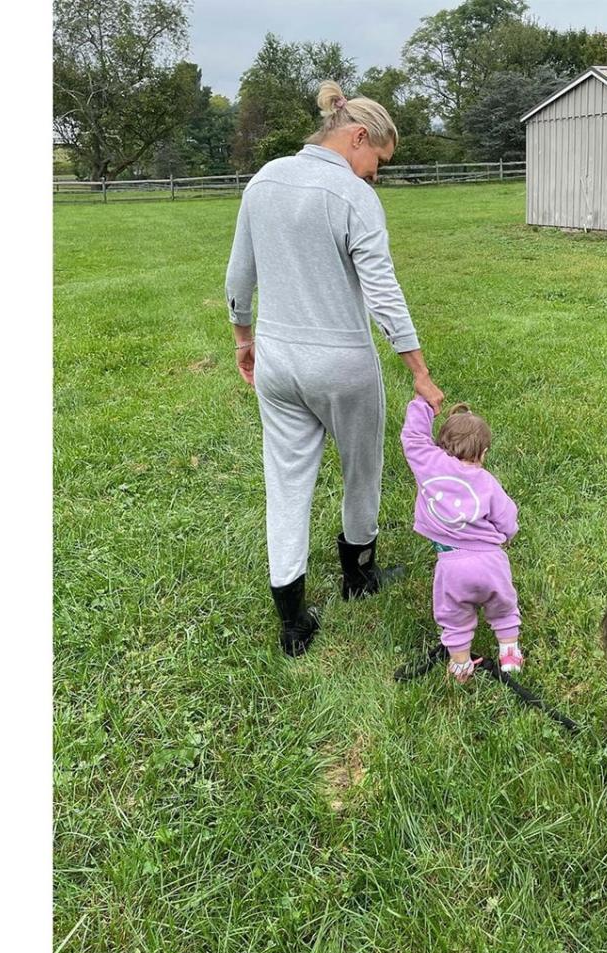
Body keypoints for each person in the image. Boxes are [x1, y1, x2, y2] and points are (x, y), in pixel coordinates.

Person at [225, 80, 444, 657]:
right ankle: (358, 575)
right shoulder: (353, 196)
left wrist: (243, 339)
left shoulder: (262, 180)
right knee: (361, 470)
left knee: (286, 481)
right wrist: (418, 370)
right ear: (358, 137)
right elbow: (383, 291)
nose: (376, 176)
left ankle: (293, 620)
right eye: (378, 163)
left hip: (276, 359)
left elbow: (238, 277)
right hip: (343, 363)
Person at [400, 398, 524, 682]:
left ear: (441, 444)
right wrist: (507, 535)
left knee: (453, 617)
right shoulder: (487, 482)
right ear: (484, 452)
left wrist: (423, 404)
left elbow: (413, 436)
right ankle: (510, 658)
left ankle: (460, 667)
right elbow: (507, 519)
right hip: (492, 561)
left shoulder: (428, 463)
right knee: (504, 607)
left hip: (451, 564)